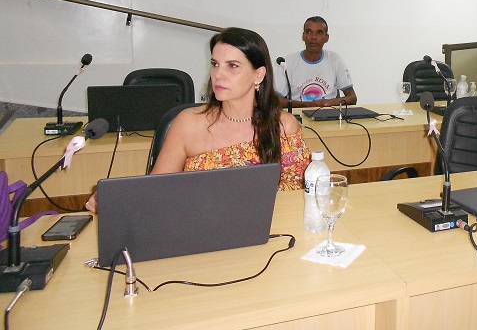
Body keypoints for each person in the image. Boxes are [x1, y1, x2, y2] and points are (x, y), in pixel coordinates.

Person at [86, 27, 310, 212]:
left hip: (268, 232)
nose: (218, 74)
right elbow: (156, 188)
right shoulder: (188, 123)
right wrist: (115, 198)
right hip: (198, 230)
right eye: (215, 64)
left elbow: (299, 195)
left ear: (258, 75)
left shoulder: (283, 127)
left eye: (232, 66)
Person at [275, 16, 357, 108]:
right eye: (309, 32)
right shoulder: (288, 62)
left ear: (326, 38)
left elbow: (352, 98)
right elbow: (274, 100)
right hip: (297, 114)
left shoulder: (335, 59)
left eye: (319, 32)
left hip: (328, 113)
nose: (313, 37)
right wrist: (306, 105)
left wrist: (328, 103)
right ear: (303, 36)